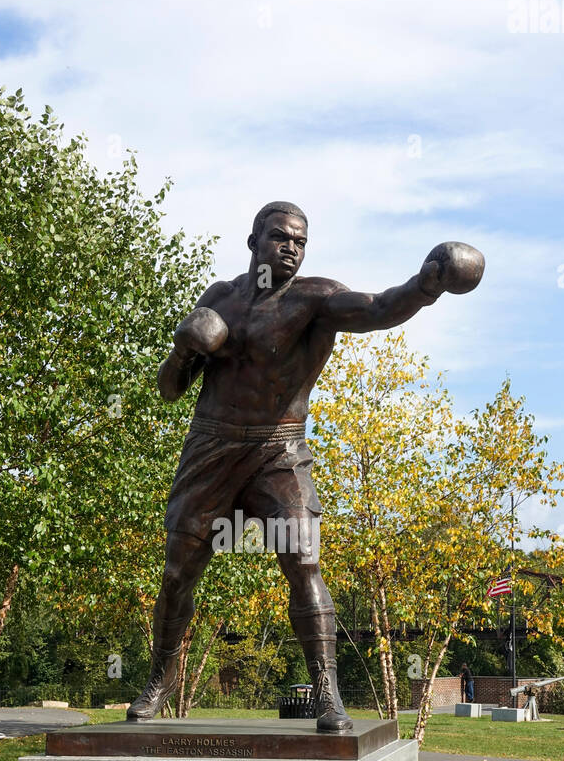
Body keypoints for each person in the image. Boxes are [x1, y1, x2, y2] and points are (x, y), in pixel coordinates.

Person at [127, 201, 484, 732]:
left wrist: (425, 284)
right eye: (279, 237)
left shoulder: (315, 300)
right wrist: (181, 353)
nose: (290, 247)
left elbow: (379, 308)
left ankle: (325, 692)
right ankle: (158, 681)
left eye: (299, 240)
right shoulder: (220, 299)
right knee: (179, 572)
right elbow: (170, 391)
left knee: (303, 561)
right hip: (212, 445)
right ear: (254, 243)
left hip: (280, 449)